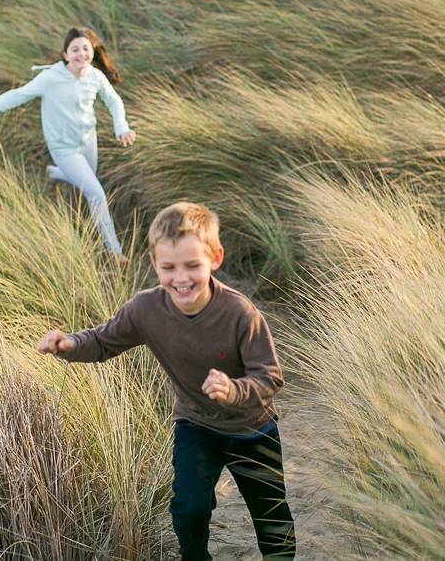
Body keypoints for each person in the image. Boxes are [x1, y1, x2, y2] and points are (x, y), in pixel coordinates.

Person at [37, 202, 296, 560]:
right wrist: (70, 343)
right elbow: (103, 340)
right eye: (169, 267)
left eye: (193, 265)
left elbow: (271, 378)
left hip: (251, 428)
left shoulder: (240, 313)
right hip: (195, 424)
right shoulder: (146, 309)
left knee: (272, 519)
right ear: (154, 263)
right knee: (188, 509)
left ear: (215, 258)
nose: (181, 278)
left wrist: (234, 390)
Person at [0, 26, 135, 259]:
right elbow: (16, 95)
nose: (81, 54)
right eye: (75, 50)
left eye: (85, 48)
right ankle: (115, 252)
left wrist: (121, 126)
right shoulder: (50, 78)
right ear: (65, 55)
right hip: (63, 147)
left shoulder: (95, 76)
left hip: (88, 142)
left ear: (92, 51)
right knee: (96, 193)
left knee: (86, 184)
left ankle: (54, 173)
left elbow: (114, 102)